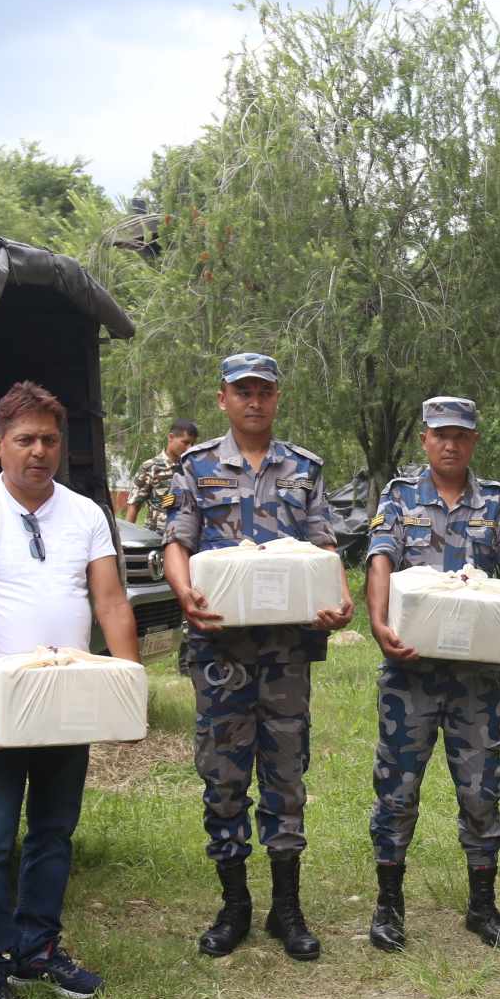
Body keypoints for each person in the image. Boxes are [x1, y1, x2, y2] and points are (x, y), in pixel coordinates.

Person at [0, 381, 140, 999]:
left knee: (53, 832)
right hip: (1, 703)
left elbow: (109, 603)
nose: (39, 452)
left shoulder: (84, 515)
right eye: (25, 440)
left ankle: (38, 948)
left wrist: (127, 688)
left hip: (68, 700)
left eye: (50, 439)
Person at [163, 353, 353, 961]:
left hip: (286, 651)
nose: (254, 401)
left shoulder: (304, 469)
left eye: (264, 391)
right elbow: (177, 542)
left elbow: (324, 544)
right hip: (221, 648)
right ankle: (234, 904)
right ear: (223, 399)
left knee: (286, 774)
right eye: (242, 391)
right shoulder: (195, 467)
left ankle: (286, 908)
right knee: (222, 776)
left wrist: (339, 597)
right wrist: (183, 593)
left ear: (277, 398)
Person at [364, 396, 500, 952]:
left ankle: (482, 906)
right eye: (440, 434)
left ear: (474, 441)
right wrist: (377, 621)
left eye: (460, 435)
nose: (450, 443)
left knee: (482, 789)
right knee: (397, 789)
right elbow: (380, 559)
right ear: (425, 439)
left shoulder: (496, 501)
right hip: (409, 673)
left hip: (475, 677)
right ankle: (389, 906)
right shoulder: (398, 497)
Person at [126, 418, 200, 532]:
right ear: (171, 437)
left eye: (192, 444)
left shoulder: (193, 468)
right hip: (157, 537)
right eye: (185, 442)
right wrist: (126, 541)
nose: (189, 448)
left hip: (186, 536)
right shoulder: (151, 467)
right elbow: (134, 505)